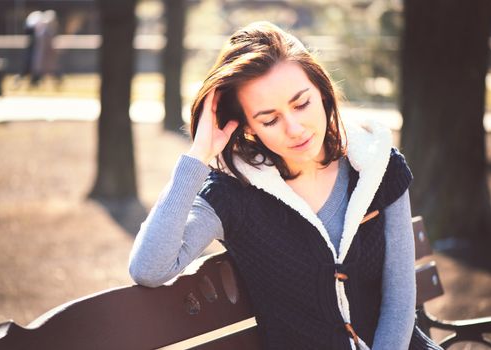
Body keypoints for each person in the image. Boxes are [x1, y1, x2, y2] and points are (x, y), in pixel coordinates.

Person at [128, 21, 441, 350]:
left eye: (301, 103)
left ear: (321, 91)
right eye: (269, 119)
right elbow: (150, 268)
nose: (294, 128)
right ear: (247, 126)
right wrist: (200, 153)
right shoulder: (230, 196)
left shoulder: (378, 165)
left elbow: (400, 304)